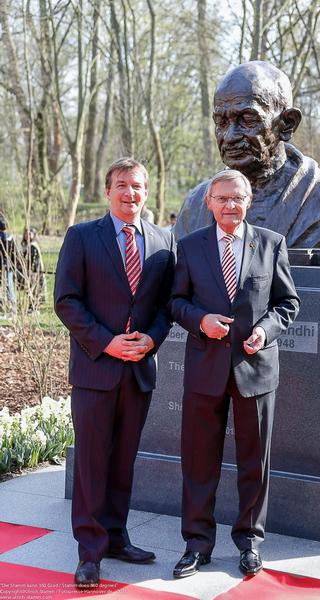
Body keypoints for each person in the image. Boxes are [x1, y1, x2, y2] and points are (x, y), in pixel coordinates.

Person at [169, 169, 300, 578]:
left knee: (253, 462)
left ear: (249, 202)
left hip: (255, 370)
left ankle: (249, 542)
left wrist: (265, 330)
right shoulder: (189, 247)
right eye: (222, 198)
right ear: (209, 202)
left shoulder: (272, 244)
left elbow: (287, 303)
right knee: (198, 460)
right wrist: (200, 320)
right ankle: (196, 544)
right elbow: (175, 302)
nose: (230, 205)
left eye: (237, 198)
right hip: (204, 371)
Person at [54, 158, 175, 588]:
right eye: (122, 185)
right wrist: (107, 342)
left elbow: (168, 304)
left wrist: (152, 339)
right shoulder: (82, 237)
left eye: (138, 186)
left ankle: (117, 536)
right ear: (108, 191)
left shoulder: (163, 240)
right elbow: (66, 300)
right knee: (91, 461)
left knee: (124, 460)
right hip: (95, 368)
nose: (130, 194)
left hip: (139, 371)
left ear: (147, 191)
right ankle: (90, 552)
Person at [174, 61, 320, 249]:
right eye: (221, 122)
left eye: (248, 120)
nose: (230, 136)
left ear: (288, 124)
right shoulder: (196, 205)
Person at [20, 227, 46, 310]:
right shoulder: (26, 245)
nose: (27, 235)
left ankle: (33, 307)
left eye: (29, 234)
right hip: (29, 271)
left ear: (33, 235)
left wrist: (32, 271)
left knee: (33, 289)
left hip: (33, 271)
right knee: (29, 289)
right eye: (25, 234)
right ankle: (31, 306)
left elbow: (35, 260)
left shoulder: (33, 246)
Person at [0, 214, 17, 313]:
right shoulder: (9, 236)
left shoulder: (4, 237)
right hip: (7, 264)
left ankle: (12, 307)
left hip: (6, 265)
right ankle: (8, 306)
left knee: (9, 286)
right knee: (8, 285)